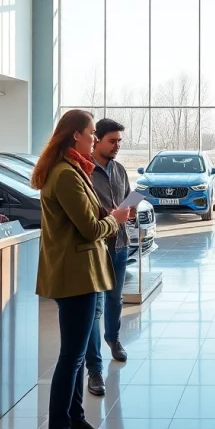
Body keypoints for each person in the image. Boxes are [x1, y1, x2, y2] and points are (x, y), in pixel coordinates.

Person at [32, 109, 134, 429]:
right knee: (72, 358)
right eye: (92, 134)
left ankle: (75, 420)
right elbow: (90, 228)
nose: (93, 140)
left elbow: (87, 216)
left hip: (80, 273)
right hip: (74, 275)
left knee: (74, 356)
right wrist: (115, 219)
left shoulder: (73, 169)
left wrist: (110, 215)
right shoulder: (65, 174)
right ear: (76, 134)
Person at [85, 118, 132, 397]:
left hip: (120, 245)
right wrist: (111, 216)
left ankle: (113, 339)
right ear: (96, 140)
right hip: (96, 248)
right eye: (111, 141)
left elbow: (126, 201)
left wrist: (129, 212)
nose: (116, 146)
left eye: (119, 142)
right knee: (95, 308)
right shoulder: (84, 172)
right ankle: (94, 369)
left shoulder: (120, 170)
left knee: (115, 298)